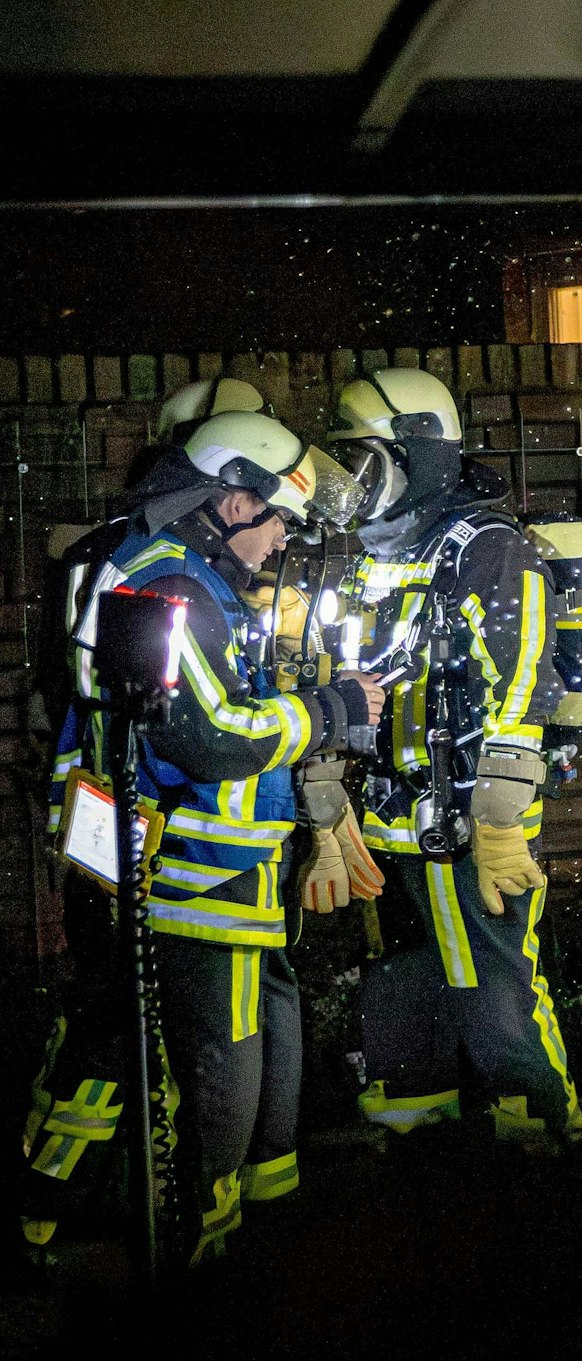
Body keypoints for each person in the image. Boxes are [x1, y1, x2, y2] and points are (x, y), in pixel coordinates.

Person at [23, 411, 383, 1263]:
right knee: (219, 1067)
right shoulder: (174, 587)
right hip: (194, 873)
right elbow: (211, 738)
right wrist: (335, 710)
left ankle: (40, 1207)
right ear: (229, 500)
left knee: (112, 1041)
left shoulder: (154, 565)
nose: (283, 538)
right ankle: (201, 1248)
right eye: (278, 517)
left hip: (133, 855)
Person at [325, 368, 582, 1145]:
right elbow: (345, 680)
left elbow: (521, 689)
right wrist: (331, 801)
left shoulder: (489, 549)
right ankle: (419, 1142)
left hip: (473, 826)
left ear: (418, 455)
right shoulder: (371, 558)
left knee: (492, 986)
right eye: (348, 464)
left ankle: (538, 1134)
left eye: (367, 462)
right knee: (405, 982)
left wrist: (500, 816)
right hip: (388, 823)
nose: (353, 486)